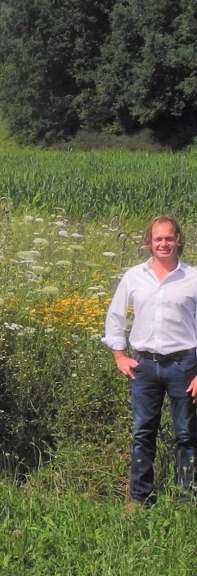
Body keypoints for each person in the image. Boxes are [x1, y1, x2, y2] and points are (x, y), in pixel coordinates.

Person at [103, 215, 197, 506]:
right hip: (143, 366)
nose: (164, 243)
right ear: (148, 242)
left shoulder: (193, 277)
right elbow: (115, 315)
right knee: (143, 433)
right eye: (158, 239)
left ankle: (186, 500)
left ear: (178, 240)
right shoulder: (134, 276)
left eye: (169, 238)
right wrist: (119, 354)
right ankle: (140, 499)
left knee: (186, 435)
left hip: (184, 366)